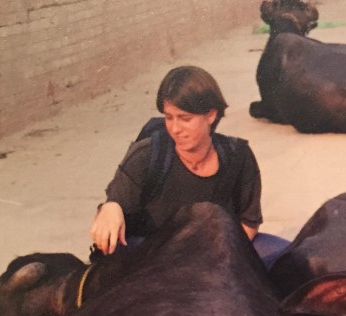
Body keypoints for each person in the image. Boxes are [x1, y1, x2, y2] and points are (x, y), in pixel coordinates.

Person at [90, 66, 288, 267]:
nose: (175, 129)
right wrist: (111, 207)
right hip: (152, 255)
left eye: (185, 119)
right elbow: (113, 207)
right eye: (169, 117)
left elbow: (248, 223)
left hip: (214, 249)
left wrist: (214, 256)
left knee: (289, 258)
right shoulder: (147, 155)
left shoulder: (238, 156)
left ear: (211, 115)